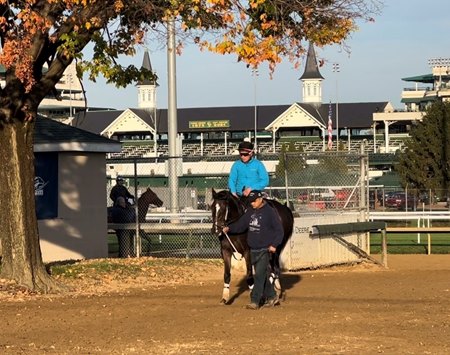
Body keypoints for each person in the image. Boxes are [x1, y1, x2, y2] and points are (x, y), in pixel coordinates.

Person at [222, 190, 283, 310]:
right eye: (250, 202)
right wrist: (229, 228)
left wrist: (274, 245)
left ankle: (255, 300)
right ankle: (272, 296)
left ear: (260, 199)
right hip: (253, 250)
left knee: (259, 275)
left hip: (265, 249)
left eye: (254, 201)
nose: (252, 204)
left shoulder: (270, 212)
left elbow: (279, 231)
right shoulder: (250, 211)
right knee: (263, 276)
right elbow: (241, 225)